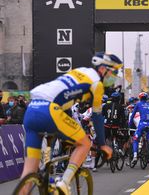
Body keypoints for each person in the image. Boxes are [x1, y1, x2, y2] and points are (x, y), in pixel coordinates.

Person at [21, 52, 122, 194]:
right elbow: (97, 116)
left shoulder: (78, 71)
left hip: (31, 109)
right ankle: (64, 183)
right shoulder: (97, 84)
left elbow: (66, 104)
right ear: (103, 69)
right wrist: (102, 144)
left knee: (28, 172)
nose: (115, 76)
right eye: (114, 72)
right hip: (49, 111)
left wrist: (67, 134)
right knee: (85, 143)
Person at [129, 92, 149, 167]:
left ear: (140, 98)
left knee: (135, 139)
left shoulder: (138, 104)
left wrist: (129, 124)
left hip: (142, 124)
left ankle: (135, 156)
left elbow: (133, 115)